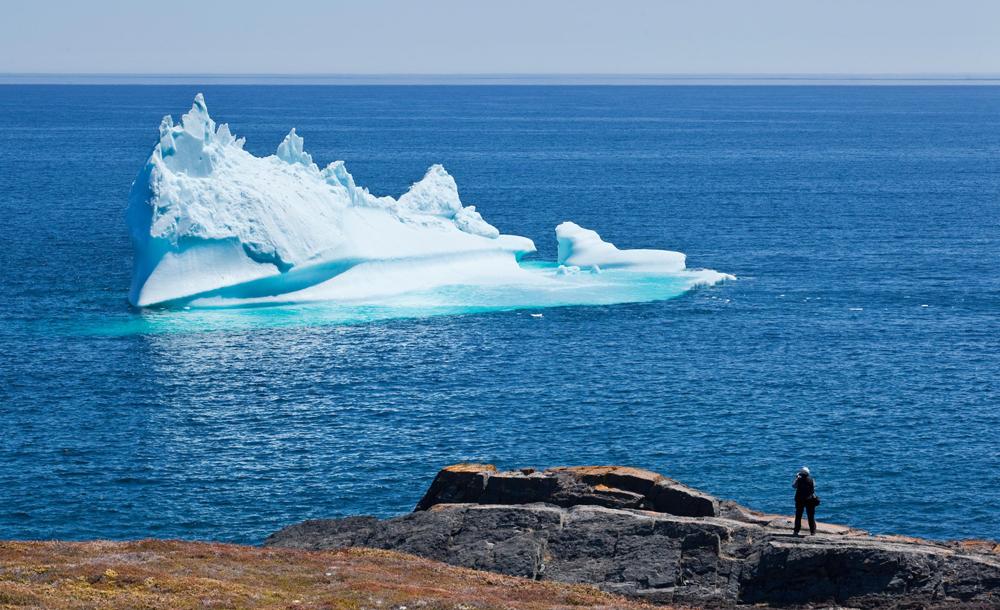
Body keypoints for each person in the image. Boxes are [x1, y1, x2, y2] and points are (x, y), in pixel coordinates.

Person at [792, 466, 817, 536]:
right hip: (810, 500)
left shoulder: (799, 480)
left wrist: (796, 478)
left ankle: (796, 531)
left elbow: (793, 486)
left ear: (801, 473)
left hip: (800, 500)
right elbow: (814, 487)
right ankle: (813, 532)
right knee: (811, 516)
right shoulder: (812, 480)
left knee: (798, 516)